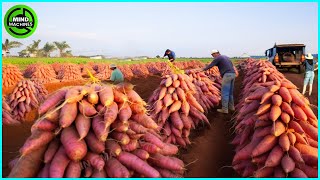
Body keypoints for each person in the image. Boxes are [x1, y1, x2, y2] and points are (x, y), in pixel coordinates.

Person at [196, 49, 236, 114]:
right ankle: (231, 107)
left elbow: (210, 65)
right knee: (230, 92)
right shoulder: (225, 57)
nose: (213, 57)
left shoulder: (218, 58)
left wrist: (201, 70)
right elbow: (229, 65)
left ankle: (224, 109)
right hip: (232, 74)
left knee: (225, 92)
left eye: (212, 55)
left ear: (215, 54)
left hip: (227, 75)